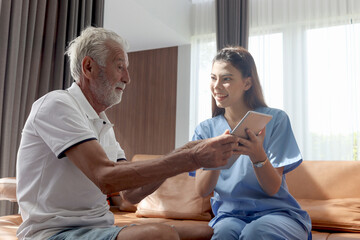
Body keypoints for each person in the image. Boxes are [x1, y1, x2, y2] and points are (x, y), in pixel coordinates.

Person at [15, 27, 242, 240]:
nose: (127, 78)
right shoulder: (57, 104)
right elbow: (105, 177)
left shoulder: (101, 122)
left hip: (98, 228)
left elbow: (130, 194)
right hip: (55, 233)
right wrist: (190, 159)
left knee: (207, 232)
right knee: (160, 235)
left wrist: (181, 153)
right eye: (120, 66)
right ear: (89, 67)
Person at [191, 46, 312, 240]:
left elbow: (272, 188)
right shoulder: (205, 130)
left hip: (277, 214)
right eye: (213, 78)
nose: (217, 86)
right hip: (229, 215)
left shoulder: (275, 119)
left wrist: (258, 156)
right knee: (224, 234)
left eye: (227, 78)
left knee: (256, 232)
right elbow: (202, 190)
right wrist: (217, 160)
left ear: (247, 83)